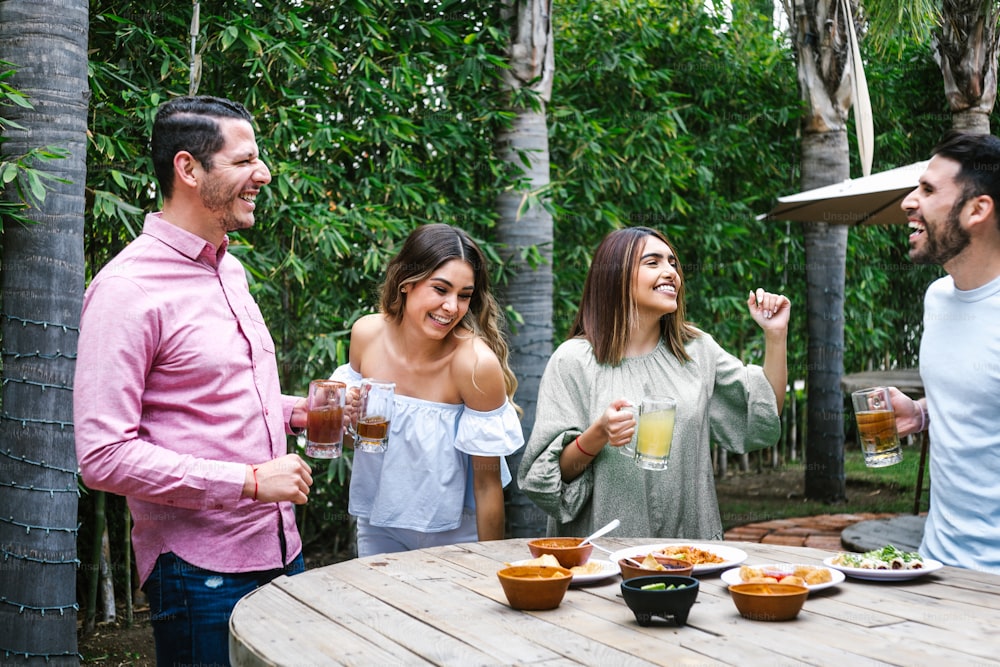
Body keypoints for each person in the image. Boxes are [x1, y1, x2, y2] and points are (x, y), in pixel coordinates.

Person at [74, 95, 314, 666]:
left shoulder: (229, 267)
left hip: (283, 552)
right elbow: (103, 455)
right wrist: (250, 481)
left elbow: (210, 398)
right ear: (188, 169)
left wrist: (297, 411)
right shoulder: (127, 289)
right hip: (200, 574)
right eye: (244, 160)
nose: (264, 174)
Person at [518, 226, 790, 540]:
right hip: (604, 559)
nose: (670, 272)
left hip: (690, 554)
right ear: (615, 276)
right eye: (653, 262)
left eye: (673, 263)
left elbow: (761, 412)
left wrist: (775, 335)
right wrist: (597, 435)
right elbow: (547, 480)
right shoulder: (573, 361)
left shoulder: (697, 350)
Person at [330, 223, 524, 557]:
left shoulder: (475, 365)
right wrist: (342, 418)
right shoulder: (366, 335)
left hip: (455, 532)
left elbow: (487, 482)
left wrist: (490, 567)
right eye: (440, 289)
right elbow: (355, 442)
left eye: (464, 295)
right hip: (379, 526)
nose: (452, 307)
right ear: (407, 283)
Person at [890, 131, 1000, 574]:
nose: (908, 202)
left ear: (978, 210)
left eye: (928, 190)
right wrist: (921, 413)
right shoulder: (937, 298)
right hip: (934, 565)